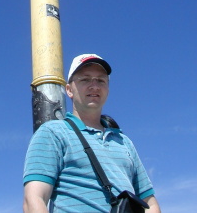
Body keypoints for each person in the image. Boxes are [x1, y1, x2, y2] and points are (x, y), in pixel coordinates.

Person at [23, 53, 161, 212]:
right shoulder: (52, 133)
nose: (94, 86)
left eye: (101, 80)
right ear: (69, 90)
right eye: (85, 79)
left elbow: (150, 203)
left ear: (107, 88)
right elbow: (33, 199)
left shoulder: (124, 142)